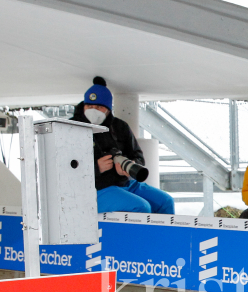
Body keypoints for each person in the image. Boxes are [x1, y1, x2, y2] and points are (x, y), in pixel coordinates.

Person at [72, 77, 174, 215]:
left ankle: (164, 236)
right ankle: (138, 237)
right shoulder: (71, 128)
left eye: (99, 107)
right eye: (89, 106)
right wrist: (96, 167)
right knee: (141, 207)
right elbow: (66, 166)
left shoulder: (119, 127)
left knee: (165, 201)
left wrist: (130, 165)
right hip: (95, 189)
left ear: (107, 109)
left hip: (124, 183)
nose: (93, 110)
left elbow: (138, 155)